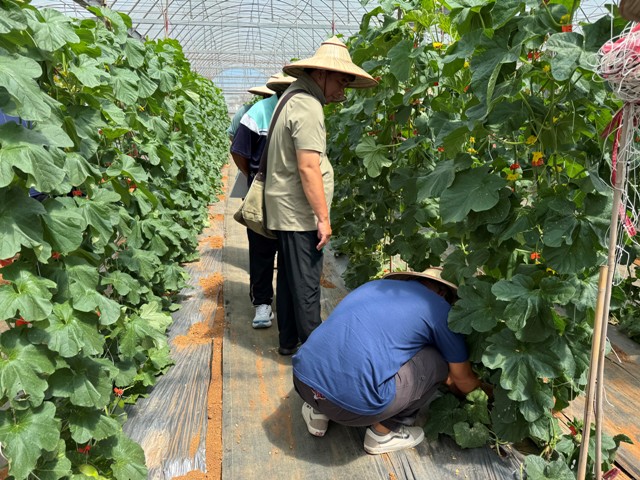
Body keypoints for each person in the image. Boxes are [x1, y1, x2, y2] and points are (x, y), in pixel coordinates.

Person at [291, 268, 485, 455]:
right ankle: (382, 434)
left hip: (302, 382)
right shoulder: (439, 307)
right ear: (443, 293)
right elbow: (463, 380)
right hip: (354, 409)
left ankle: (317, 413)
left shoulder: (373, 287)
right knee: (438, 361)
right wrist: (488, 397)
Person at [264, 36, 378, 355]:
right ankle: (317, 359)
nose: (343, 91)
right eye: (341, 81)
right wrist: (323, 218)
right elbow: (308, 167)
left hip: (285, 209)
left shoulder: (293, 97)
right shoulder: (309, 106)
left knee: (289, 281)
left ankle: (288, 343)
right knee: (307, 287)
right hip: (299, 214)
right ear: (322, 74)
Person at [229, 73, 295, 328]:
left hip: (292, 197)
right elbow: (238, 150)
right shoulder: (258, 112)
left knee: (288, 254)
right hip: (263, 195)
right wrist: (253, 176)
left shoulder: (302, 111)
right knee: (262, 250)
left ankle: (284, 305)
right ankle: (262, 303)